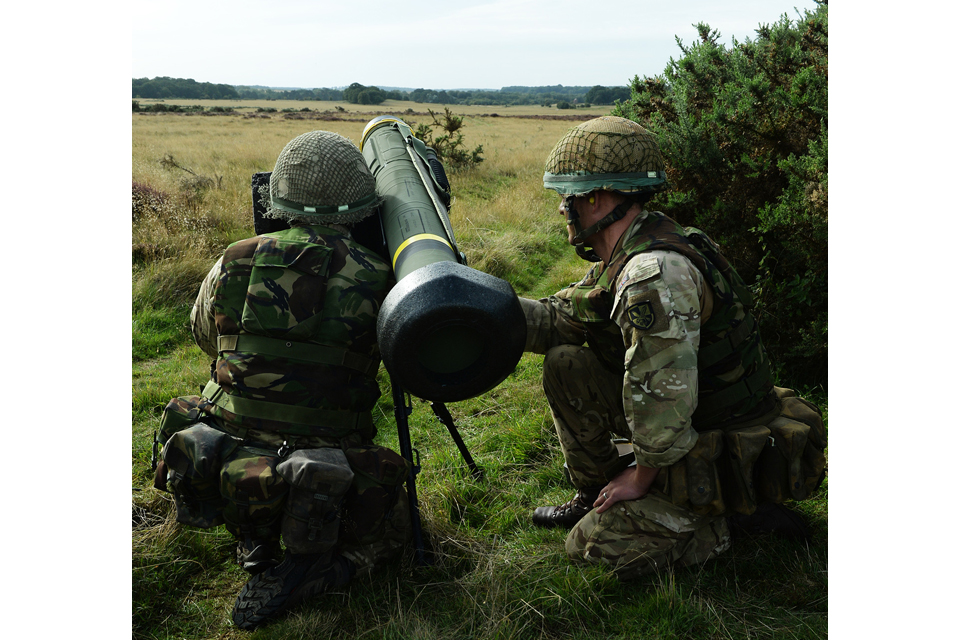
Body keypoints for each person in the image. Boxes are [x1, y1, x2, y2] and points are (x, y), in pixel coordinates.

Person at [520, 116, 825, 578]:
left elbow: (664, 394)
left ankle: (728, 522)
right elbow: (560, 320)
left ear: (596, 198)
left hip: (713, 428)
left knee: (591, 545)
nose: (564, 210)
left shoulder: (653, 275)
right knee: (567, 362)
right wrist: (477, 307)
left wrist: (641, 475)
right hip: (694, 414)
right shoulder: (636, 244)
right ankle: (598, 491)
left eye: (568, 198)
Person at [152, 130, 410, 630]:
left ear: (278, 197)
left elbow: (205, 335)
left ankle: (256, 538)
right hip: (322, 459)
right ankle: (322, 566)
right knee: (394, 529)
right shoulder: (380, 275)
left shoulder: (234, 256)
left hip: (225, 450)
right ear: (362, 204)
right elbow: (403, 366)